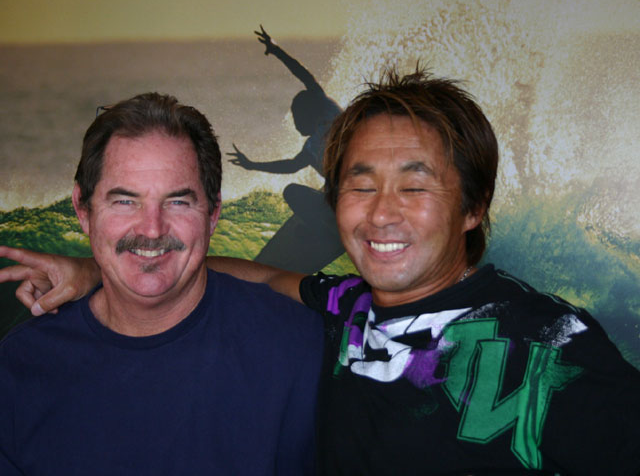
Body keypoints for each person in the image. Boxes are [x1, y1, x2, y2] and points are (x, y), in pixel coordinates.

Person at [3, 69, 640, 475]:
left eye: (414, 186)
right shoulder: (343, 308)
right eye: (361, 185)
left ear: (473, 207)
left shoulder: (552, 345)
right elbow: (249, 275)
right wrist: (99, 269)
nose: (382, 213)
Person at [0, 93, 323, 475]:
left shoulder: (297, 348)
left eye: (178, 202)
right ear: (83, 211)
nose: (152, 229)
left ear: (213, 213)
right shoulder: (20, 366)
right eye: (125, 201)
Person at [227, 26, 344, 273]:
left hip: (340, 204)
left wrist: (251, 165)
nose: (294, 123)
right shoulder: (329, 111)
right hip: (352, 192)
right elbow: (304, 75)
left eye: (296, 117)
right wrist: (276, 50)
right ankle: (327, 221)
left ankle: (322, 228)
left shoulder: (312, 145)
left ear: (306, 114)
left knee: (292, 192)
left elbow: (289, 167)